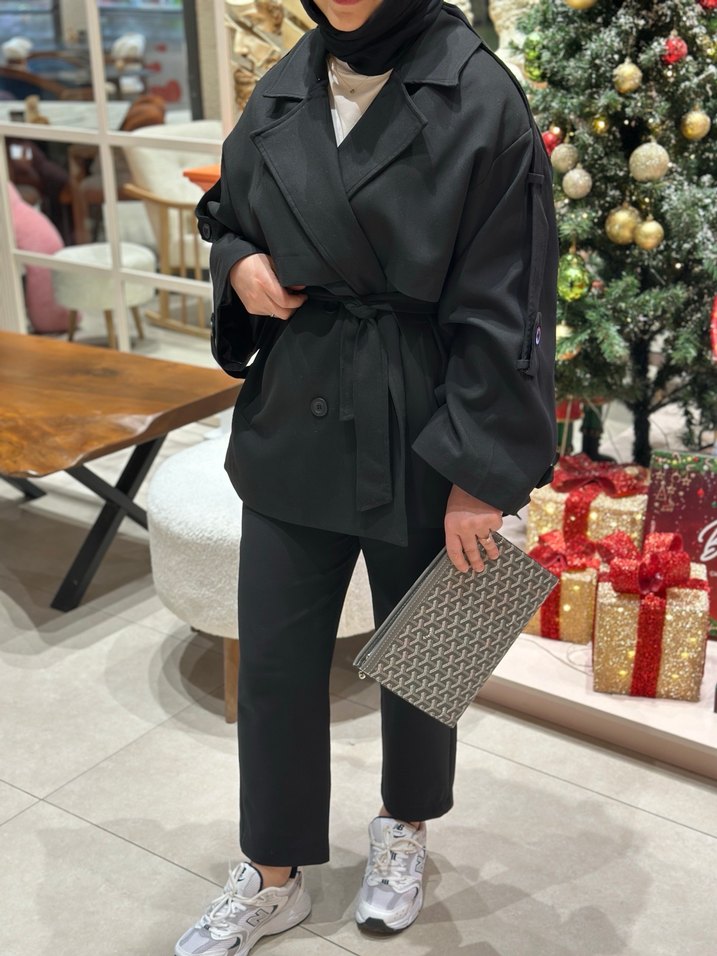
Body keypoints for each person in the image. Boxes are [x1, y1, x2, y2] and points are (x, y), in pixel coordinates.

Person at [178, 1, 558, 953]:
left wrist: (481, 471)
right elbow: (225, 214)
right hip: (295, 410)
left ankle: (406, 827)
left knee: (425, 658)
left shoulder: (478, 92)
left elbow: (510, 297)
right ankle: (272, 874)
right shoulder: (289, 78)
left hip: (428, 416)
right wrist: (239, 266)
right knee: (273, 664)